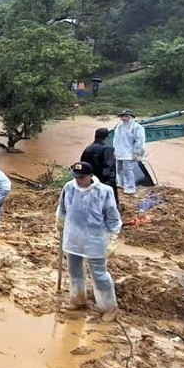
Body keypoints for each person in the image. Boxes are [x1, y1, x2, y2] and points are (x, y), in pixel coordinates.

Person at [56, 161, 122, 320]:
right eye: (76, 177)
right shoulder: (69, 187)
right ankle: (78, 299)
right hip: (73, 238)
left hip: (95, 240)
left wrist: (113, 238)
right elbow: (62, 208)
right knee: (74, 270)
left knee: (99, 274)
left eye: (82, 177)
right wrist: (60, 220)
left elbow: (112, 217)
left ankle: (109, 307)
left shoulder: (104, 192)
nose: (78, 180)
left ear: (91, 176)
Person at [81, 128, 119, 210]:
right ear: (106, 137)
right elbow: (109, 169)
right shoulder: (107, 149)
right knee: (109, 206)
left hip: (89, 182)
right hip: (103, 182)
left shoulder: (87, 149)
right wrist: (109, 184)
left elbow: (82, 165)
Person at [112, 110, 146, 195]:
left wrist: (136, 152)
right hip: (119, 152)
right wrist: (115, 150)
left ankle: (130, 188)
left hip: (129, 153)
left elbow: (139, 141)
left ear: (130, 117)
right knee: (118, 169)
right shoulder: (119, 126)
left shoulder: (137, 127)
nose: (123, 118)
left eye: (125, 116)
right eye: (122, 116)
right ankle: (121, 184)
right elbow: (116, 139)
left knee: (128, 170)